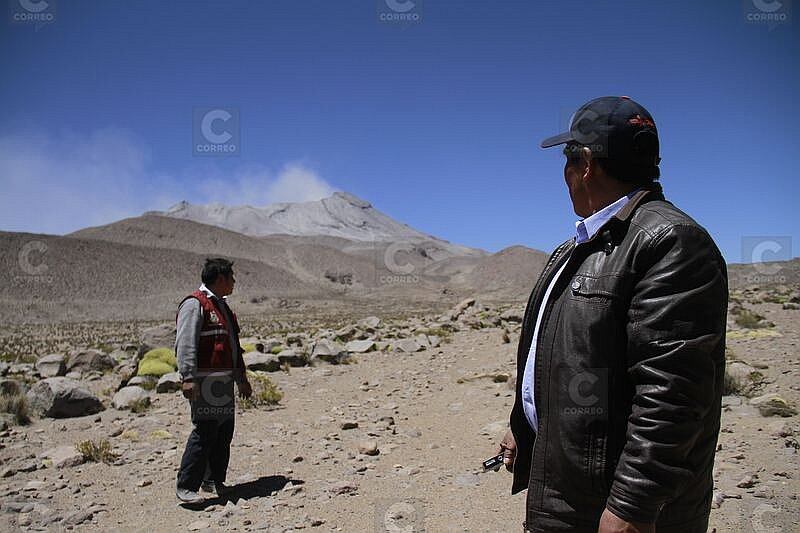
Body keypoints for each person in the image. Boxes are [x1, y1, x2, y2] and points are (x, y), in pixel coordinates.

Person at [498, 96, 728, 532]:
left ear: (584, 164)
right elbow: (559, 354)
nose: (563, 178)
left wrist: (631, 505)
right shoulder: (579, 247)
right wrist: (524, 425)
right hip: (571, 485)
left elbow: (674, 394)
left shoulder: (669, 241)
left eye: (566, 162)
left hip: (609, 502)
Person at [175, 257, 252, 504]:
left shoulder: (222, 306)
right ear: (220, 279)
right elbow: (185, 342)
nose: (234, 283)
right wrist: (188, 377)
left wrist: (241, 377)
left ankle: (214, 481)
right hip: (204, 382)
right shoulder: (195, 304)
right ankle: (186, 486)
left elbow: (233, 346)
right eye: (231, 278)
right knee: (205, 430)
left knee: (223, 432)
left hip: (224, 382)